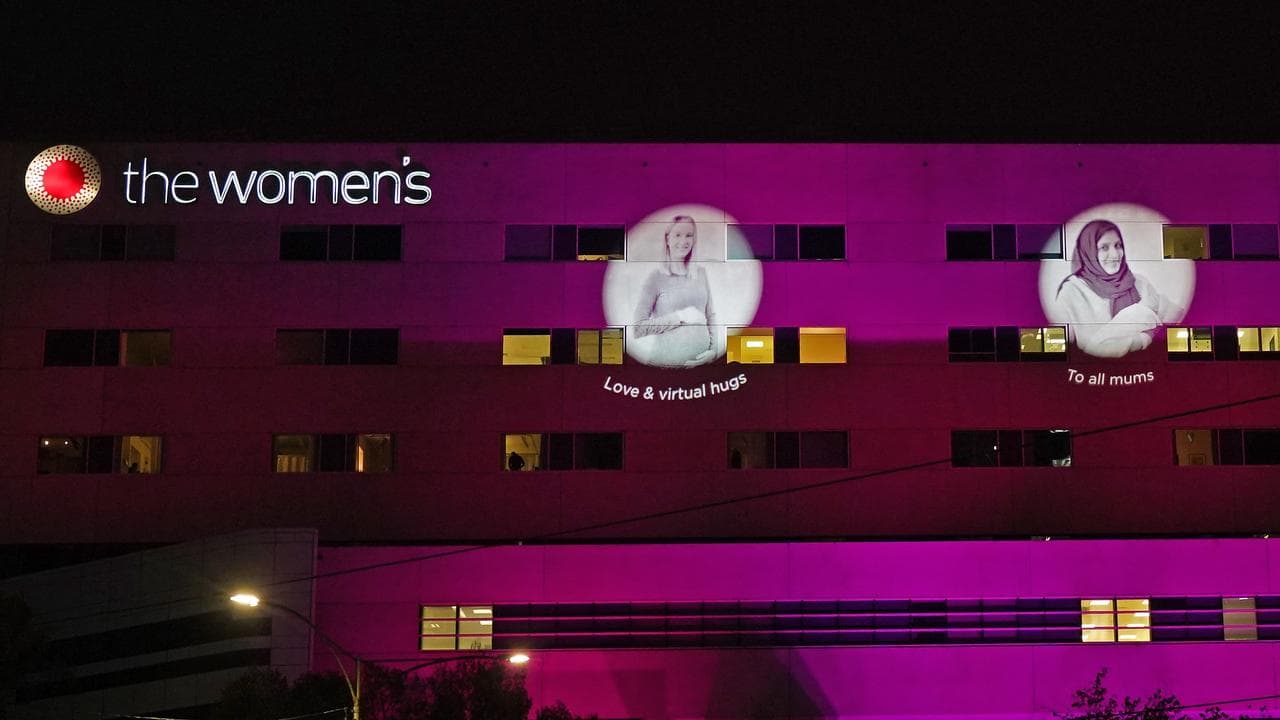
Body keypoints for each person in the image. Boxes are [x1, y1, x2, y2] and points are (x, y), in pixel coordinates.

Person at [1055, 220, 1182, 358]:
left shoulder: (1139, 283)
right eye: (1104, 247)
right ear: (1088, 251)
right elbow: (1064, 350)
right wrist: (1144, 339)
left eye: (1118, 245)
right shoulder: (1071, 292)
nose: (1115, 254)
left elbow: (1173, 319)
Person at [632, 215, 717, 367]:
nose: (684, 241)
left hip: (702, 367)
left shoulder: (701, 273)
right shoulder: (655, 277)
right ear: (667, 239)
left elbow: (710, 315)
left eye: (689, 235)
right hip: (666, 369)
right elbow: (638, 329)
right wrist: (680, 316)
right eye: (678, 235)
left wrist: (713, 350)